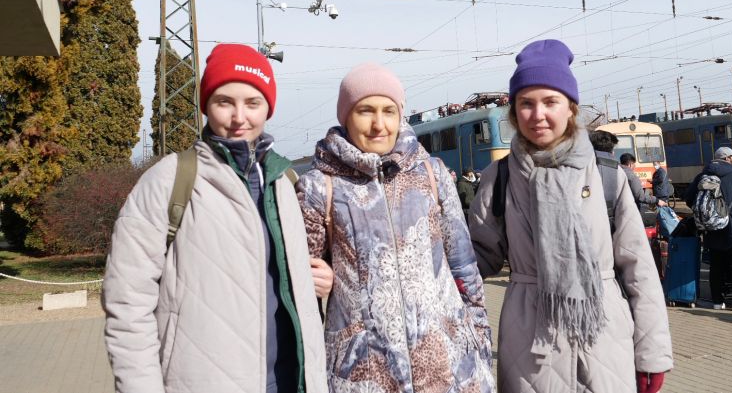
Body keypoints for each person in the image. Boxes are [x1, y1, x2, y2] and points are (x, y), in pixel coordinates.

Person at [102, 44, 331, 393]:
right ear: (207, 105)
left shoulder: (285, 182)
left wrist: (316, 278)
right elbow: (127, 300)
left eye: (252, 103)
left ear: (268, 108)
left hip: (291, 381)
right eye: (225, 102)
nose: (239, 117)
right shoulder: (171, 180)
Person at [469, 39, 672, 393]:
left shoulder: (607, 175)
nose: (538, 114)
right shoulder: (498, 178)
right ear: (514, 113)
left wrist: (652, 353)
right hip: (530, 348)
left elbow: (639, 268)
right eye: (526, 103)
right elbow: (474, 260)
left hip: (605, 344)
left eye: (550, 101)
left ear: (570, 109)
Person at [296, 63, 495, 392]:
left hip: (447, 370)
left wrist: (481, 348)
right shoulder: (320, 187)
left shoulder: (431, 175)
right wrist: (320, 279)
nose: (379, 124)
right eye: (365, 111)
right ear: (346, 117)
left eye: (388, 111)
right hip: (364, 378)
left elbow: (465, 272)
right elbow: (302, 288)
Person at [683, 147, 732, 313]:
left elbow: (689, 199)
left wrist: (710, 214)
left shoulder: (702, 176)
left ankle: (717, 302)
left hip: (712, 228)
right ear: (727, 158)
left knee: (716, 266)